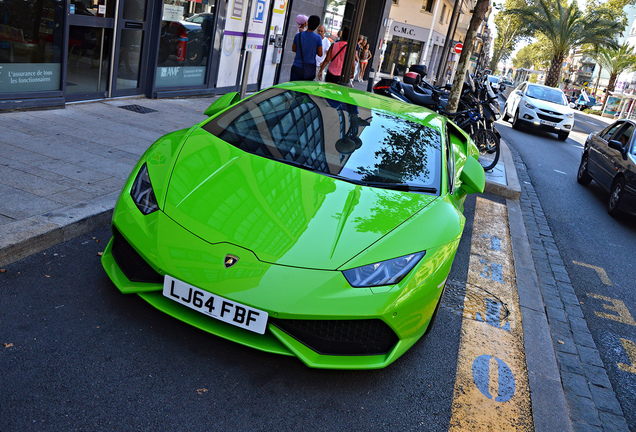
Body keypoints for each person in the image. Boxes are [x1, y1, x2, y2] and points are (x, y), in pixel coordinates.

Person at [290, 15, 322, 81]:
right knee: (304, 90)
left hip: (296, 67)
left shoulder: (298, 36)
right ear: (317, 26)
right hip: (309, 69)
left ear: (308, 23)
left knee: (293, 89)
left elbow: (293, 49)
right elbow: (320, 54)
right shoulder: (318, 38)